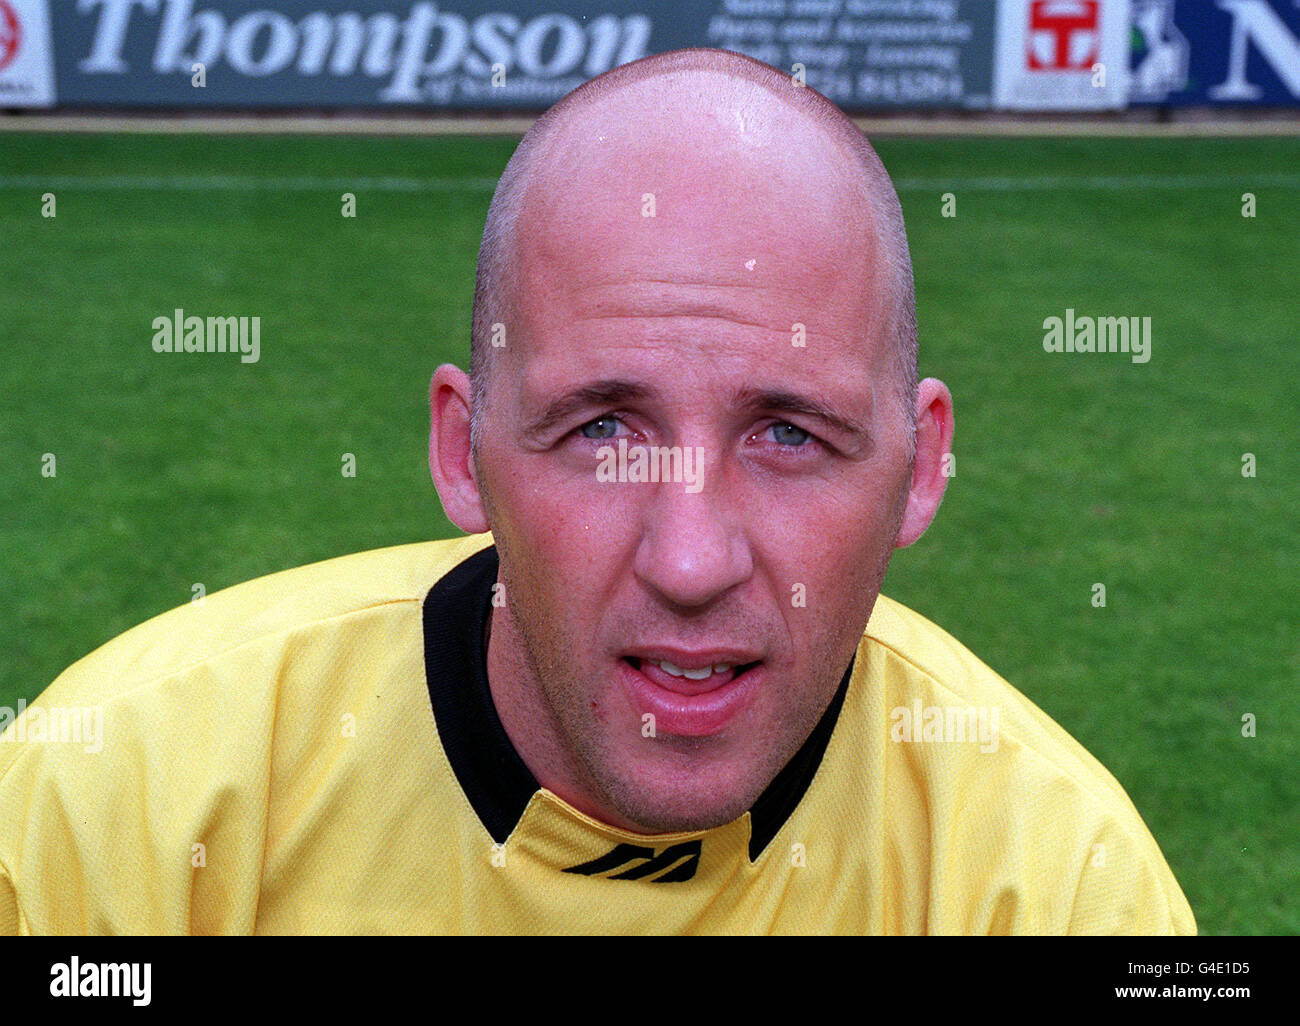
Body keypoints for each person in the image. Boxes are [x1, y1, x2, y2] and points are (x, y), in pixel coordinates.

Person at [0, 47, 1194, 934]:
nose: (689, 560)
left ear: (920, 467)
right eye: (602, 428)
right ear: (463, 451)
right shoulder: (111, 812)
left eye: (786, 433)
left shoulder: (1053, 888)